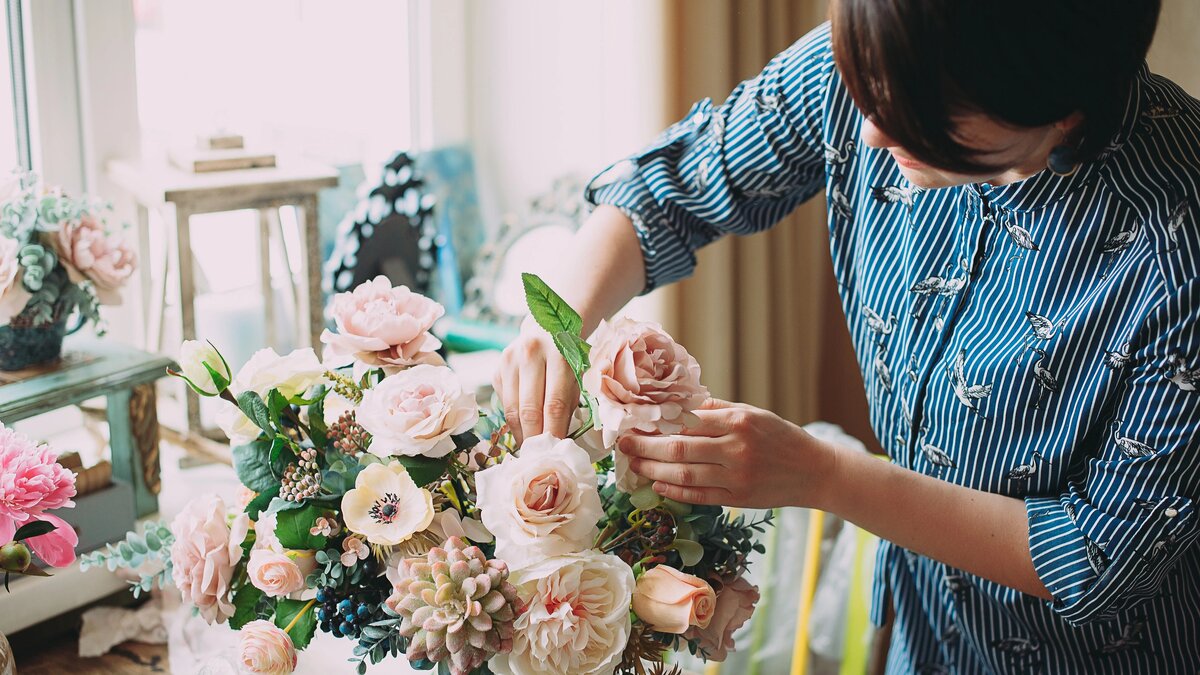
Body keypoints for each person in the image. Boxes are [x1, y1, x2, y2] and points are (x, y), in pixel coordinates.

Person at [494, 1, 1200, 672]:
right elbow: (671, 188)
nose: (870, 134)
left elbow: (1096, 554)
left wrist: (822, 474)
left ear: (1065, 109)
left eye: (928, 121)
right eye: (863, 90)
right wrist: (557, 315)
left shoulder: (1177, 253)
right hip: (917, 632)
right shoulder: (885, 52)